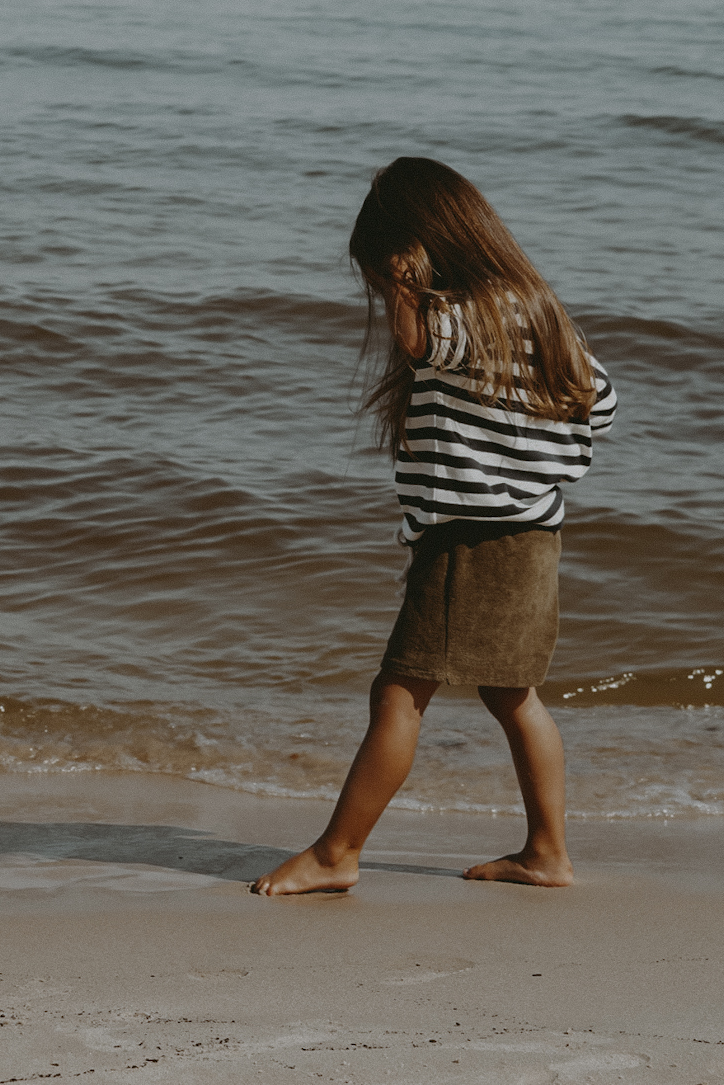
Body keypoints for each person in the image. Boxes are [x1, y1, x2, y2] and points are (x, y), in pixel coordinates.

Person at [253, 157, 617, 894]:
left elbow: (424, 345)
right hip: (531, 536)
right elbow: (602, 403)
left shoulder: (455, 315)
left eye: (380, 275)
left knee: (398, 695)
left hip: (471, 539)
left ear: (416, 250)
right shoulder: (540, 311)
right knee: (511, 694)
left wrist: (408, 284)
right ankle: (547, 852)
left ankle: (337, 853)